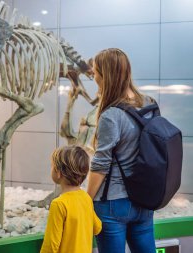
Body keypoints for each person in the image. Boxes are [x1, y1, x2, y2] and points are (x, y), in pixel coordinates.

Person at [87, 48, 157, 253]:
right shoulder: (149, 104)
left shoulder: (111, 115)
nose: (93, 76)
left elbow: (101, 165)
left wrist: (85, 199)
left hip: (112, 204)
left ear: (105, 75)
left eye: (95, 72)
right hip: (144, 198)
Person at [40, 145, 102, 253]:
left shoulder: (59, 204)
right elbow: (97, 227)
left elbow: (51, 245)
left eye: (52, 166)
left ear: (58, 172)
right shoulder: (86, 198)